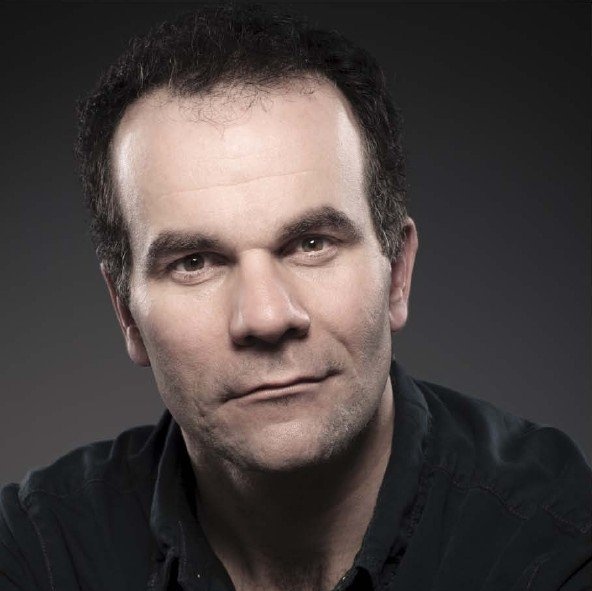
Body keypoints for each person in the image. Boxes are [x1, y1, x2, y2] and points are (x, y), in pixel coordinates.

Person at [1, 5, 590, 590]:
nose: (266, 317)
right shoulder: (39, 553)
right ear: (126, 313)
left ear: (398, 272)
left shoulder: (555, 541)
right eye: (195, 262)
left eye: (312, 244)